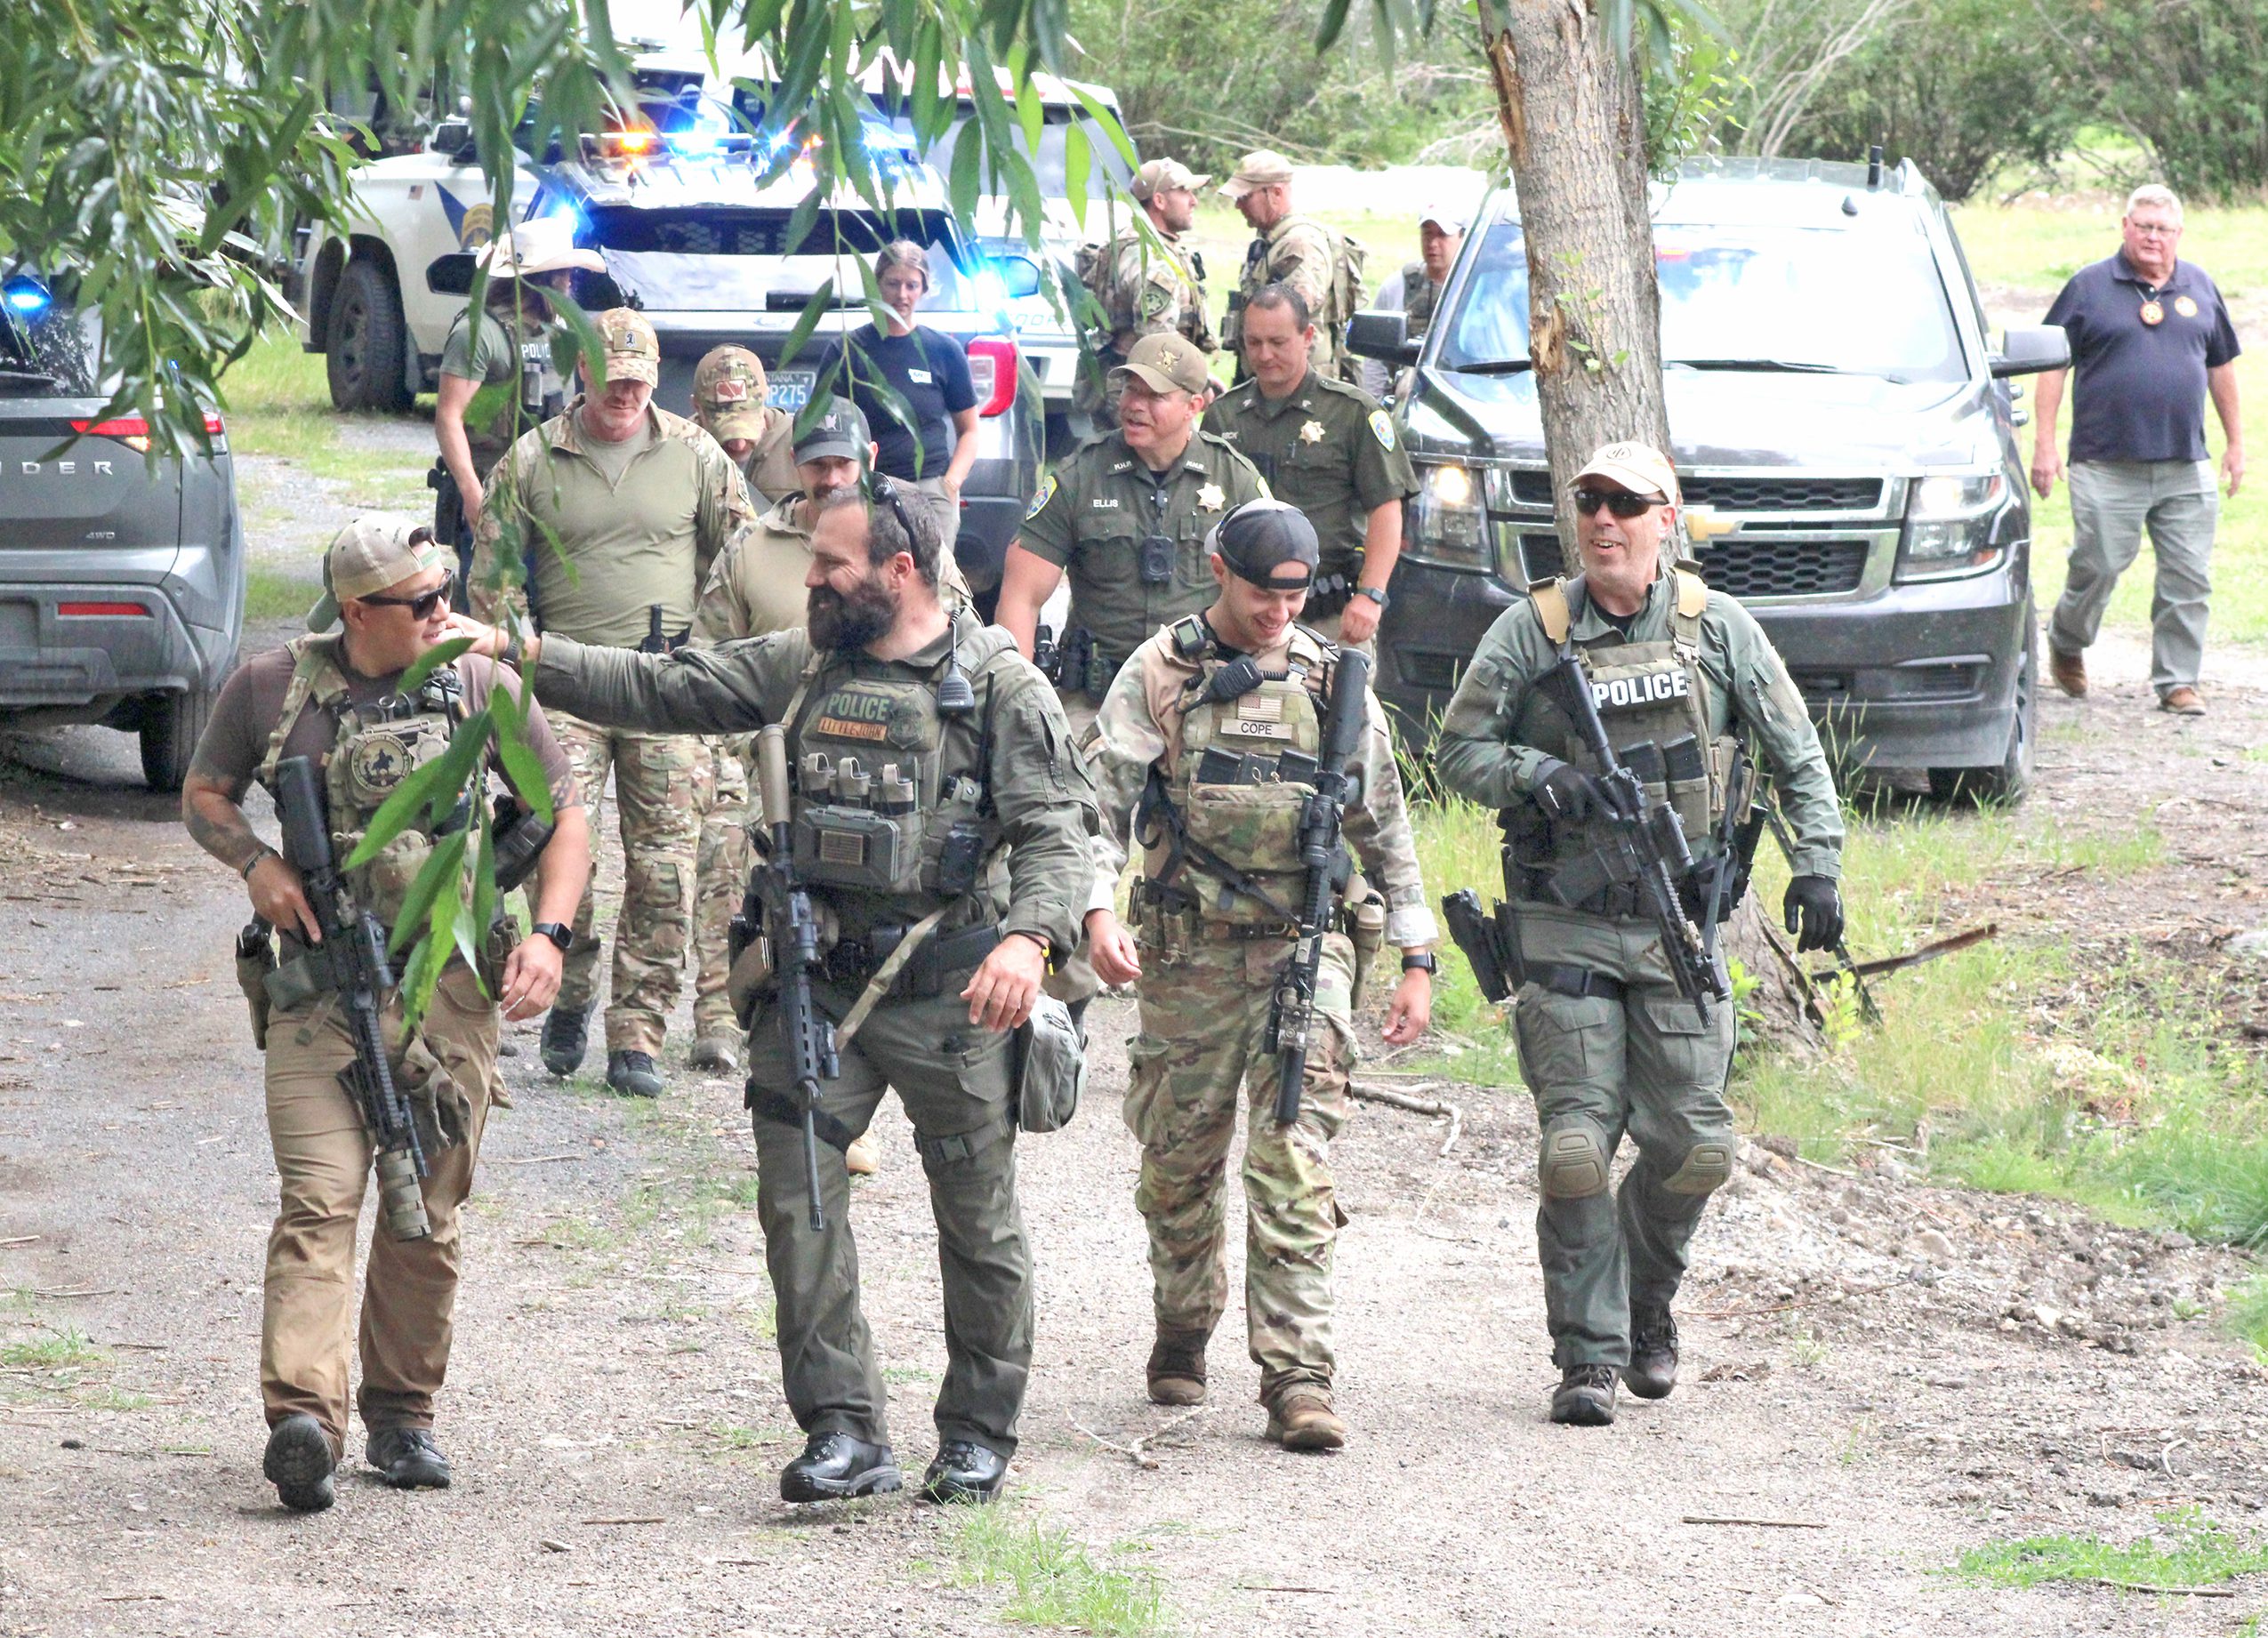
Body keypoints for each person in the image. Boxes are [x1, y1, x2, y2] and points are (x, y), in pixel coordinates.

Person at [445, 485, 1097, 1507]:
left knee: (979, 1221)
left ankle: (977, 1433)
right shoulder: (803, 664)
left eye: (831, 565)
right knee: (798, 1207)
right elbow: (666, 688)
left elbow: (1060, 830)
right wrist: (516, 653)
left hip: (952, 995)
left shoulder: (1001, 687)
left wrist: (1028, 938)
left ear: (899, 571)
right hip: (814, 985)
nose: (811, 581)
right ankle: (843, 1429)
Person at [180, 518, 591, 1511]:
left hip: (449, 992)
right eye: (421, 603)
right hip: (318, 994)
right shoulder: (272, 687)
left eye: (443, 590)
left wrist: (551, 935)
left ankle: (402, 1416)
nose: (443, 612)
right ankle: (304, 1424)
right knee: (319, 1202)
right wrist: (257, 864)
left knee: (427, 1209)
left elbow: (567, 805)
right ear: (358, 613)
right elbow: (203, 793)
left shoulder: (479, 687)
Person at [1434, 442, 1846, 1427]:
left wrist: (1819, 861)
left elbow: (1796, 753)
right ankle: (1587, 1356)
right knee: (1575, 1148)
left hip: (1678, 927)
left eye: (1626, 504)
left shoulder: (1718, 632)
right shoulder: (1532, 632)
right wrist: (1542, 777)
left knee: (1696, 1149)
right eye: (1588, 504)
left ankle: (1644, 1303)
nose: (1603, 521)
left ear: (1669, 520)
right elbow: (1459, 747)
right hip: (1566, 926)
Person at [1079, 498, 1435, 1450]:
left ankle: (1298, 1377)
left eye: (1294, 594)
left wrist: (1416, 953)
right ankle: (1183, 1325)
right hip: (1188, 955)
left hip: (1301, 951)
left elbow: (1385, 827)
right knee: (1178, 1165)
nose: (1279, 611)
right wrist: (1094, 909)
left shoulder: (1332, 683)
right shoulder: (1160, 672)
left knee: (1292, 1159)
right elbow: (1093, 808)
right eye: (1259, 590)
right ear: (1217, 568)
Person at [683, 398, 971, 1195]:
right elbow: (700, 669)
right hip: (772, 763)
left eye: (843, 464)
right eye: (816, 465)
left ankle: (850, 1103)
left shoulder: (904, 540)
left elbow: (953, 652)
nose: (830, 476)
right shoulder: (756, 551)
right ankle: (735, 1030)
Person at [471, 307, 755, 1098]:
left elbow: (743, 558)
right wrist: (512, 665)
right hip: (562, 685)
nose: (624, 392)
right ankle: (569, 981)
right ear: (583, 373)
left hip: (665, 688)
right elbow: (493, 579)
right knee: (561, 848)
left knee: (666, 870)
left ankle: (639, 1028)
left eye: (638, 378)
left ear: (655, 378)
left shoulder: (695, 455)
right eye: (610, 376)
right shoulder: (532, 461)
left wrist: (715, 662)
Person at [2031, 183, 2241, 717]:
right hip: (2105, 463)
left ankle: (2177, 682)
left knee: (2189, 576)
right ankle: (2067, 640)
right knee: (2098, 563)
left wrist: (2236, 444)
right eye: (2143, 226)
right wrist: (2045, 445)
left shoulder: (2201, 286)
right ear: (2125, 226)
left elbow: (2221, 368)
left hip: (2185, 462)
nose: (2152, 237)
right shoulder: (2088, 287)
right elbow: (2053, 364)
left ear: (2179, 235)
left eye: (2163, 229)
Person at [995, 333, 1267, 735]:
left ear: (1194, 405)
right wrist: (1019, 697)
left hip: (1204, 694)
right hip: (1096, 700)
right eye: (1129, 390)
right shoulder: (1081, 475)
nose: (1134, 406)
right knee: (1061, 784)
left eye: (1154, 396)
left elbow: (1271, 589)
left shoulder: (1235, 479)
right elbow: (1021, 595)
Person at [1203, 285, 1416, 649]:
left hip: (1327, 613)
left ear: (1308, 337)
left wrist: (1371, 595)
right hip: (1242, 615)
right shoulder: (1224, 416)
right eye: (1253, 343)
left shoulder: (1351, 413)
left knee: (1337, 704)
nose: (1265, 354)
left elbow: (1385, 507)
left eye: (1278, 342)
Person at [430, 217, 604, 589]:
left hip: (547, 497)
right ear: (541, 281)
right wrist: (473, 493)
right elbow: (449, 417)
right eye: (564, 274)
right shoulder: (478, 334)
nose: (570, 283)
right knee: (488, 611)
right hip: (494, 492)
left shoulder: (560, 334)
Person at [817, 240, 978, 554]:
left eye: (911, 285)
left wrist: (951, 484)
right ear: (877, 284)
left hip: (930, 489)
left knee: (932, 583)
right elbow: (822, 423)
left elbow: (970, 429)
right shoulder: (847, 350)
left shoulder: (943, 351)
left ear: (924, 289)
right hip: (869, 489)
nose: (901, 295)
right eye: (893, 283)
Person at [1077, 157, 1217, 429]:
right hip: (1146, 392)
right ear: (1160, 201)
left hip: (1125, 385)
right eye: (1184, 191)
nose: (1194, 201)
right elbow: (1159, 341)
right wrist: (1198, 383)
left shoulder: (1131, 243)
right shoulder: (1151, 257)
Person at [1218, 149, 1363, 387]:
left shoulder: (1299, 244)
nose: (1238, 205)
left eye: (1245, 196)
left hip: (1297, 387)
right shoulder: (1271, 242)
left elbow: (1290, 321)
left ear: (1276, 193)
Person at [1362, 204, 1464, 400]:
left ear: (1462, 237)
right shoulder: (1397, 287)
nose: (1433, 243)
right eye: (1427, 234)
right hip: (1406, 400)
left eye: (1442, 235)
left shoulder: (1477, 289)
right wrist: (1374, 405)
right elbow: (1375, 357)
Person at [690, 344, 802, 505]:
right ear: (696, 406)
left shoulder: (802, 445)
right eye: (725, 431)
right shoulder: (678, 452)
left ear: (765, 399)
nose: (739, 445)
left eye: (747, 428)